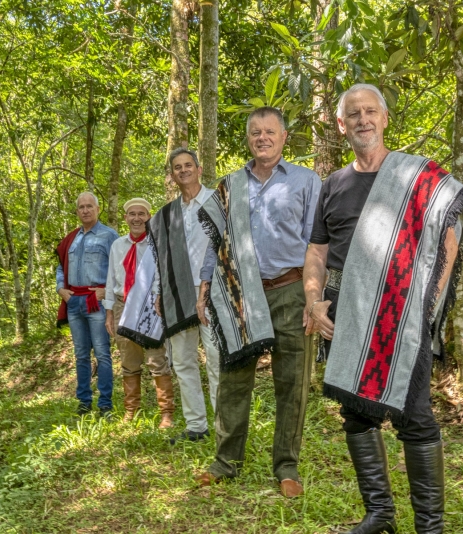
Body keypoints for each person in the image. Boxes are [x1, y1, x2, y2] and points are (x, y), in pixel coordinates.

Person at [304, 84, 463, 533]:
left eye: (370, 111)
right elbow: (318, 251)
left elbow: (448, 245)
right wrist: (312, 298)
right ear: (340, 126)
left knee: (414, 414)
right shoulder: (333, 185)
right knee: (356, 411)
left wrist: (426, 306)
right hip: (348, 311)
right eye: (353, 114)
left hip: (403, 316)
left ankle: (430, 527)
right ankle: (380, 514)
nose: (362, 119)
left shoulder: (416, 177)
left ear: (384, 118)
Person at [194, 107, 321, 498]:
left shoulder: (306, 181)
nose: (262, 137)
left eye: (270, 131)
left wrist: (315, 297)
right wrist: (203, 286)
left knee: (292, 381)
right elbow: (215, 241)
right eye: (255, 132)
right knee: (234, 379)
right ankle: (225, 462)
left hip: (291, 290)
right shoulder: (229, 185)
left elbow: (317, 245)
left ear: (284, 137)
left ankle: (287, 466)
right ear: (247, 139)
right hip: (239, 293)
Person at [138, 147, 221, 443]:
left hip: (214, 292)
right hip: (177, 295)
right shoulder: (167, 215)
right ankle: (196, 426)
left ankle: (224, 426)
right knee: (184, 362)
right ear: (172, 175)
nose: (183, 170)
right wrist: (160, 293)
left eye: (188, 165)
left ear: (199, 169)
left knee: (216, 359)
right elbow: (161, 259)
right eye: (177, 167)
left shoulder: (217, 201)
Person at [104, 198, 176, 428]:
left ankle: (166, 414)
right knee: (128, 360)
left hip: (149, 306)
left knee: (156, 358)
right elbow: (111, 280)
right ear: (126, 218)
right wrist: (109, 312)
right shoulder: (117, 245)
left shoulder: (156, 243)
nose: (136, 218)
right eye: (132, 214)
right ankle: (130, 411)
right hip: (121, 305)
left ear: (148, 217)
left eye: (141, 214)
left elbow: (161, 277)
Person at [56, 192, 119, 417]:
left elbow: (120, 267)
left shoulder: (109, 235)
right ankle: (83, 401)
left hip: (97, 303)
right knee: (81, 354)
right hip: (74, 302)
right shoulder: (72, 238)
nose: (85, 210)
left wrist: (107, 291)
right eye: (81, 207)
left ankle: (105, 404)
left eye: (89, 206)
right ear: (77, 211)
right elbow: (60, 266)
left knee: (102, 353)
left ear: (98, 208)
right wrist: (61, 289)